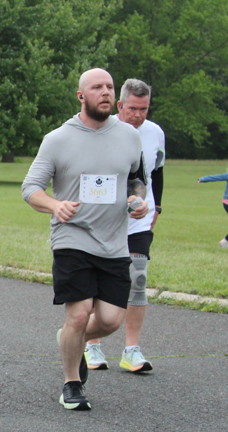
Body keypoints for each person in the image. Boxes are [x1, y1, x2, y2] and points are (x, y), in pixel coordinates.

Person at [21, 68, 148, 411]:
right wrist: (55, 205)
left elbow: (136, 178)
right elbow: (30, 188)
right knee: (78, 315)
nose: (105, 92)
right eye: (96, 87)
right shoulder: (58, 139)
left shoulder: (129, 136)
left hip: (114, 242)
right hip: (72, 238)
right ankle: (71, 384)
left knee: (110, 320)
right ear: (81, 96)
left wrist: (137, 199)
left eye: (109, 86)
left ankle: (70, 338)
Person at [84, 78, 166, 374]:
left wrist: (157, 206)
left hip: (140, 219)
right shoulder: (102, 129)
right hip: (104, 220)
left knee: (138, 278)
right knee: (99, 281)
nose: (138, 115)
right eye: (132, 109)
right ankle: (91, 343)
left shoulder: (155, 132)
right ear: (120, 105)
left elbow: (157, 172)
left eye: (144, 109)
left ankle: (131, 350)